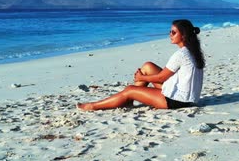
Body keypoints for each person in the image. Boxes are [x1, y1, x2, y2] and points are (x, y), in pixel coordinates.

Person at [77, 19, 205, 111]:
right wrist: (142, 77)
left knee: (130, 89)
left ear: (183, 35)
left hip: (178, 101)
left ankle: (93, 106)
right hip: (189, 97)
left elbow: (161, 78)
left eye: (173, 32)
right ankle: (128, 100)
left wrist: (141, 78)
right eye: (170, 31)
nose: (170, 35)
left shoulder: (181, 54)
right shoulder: (192, 50)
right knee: (148, 66)